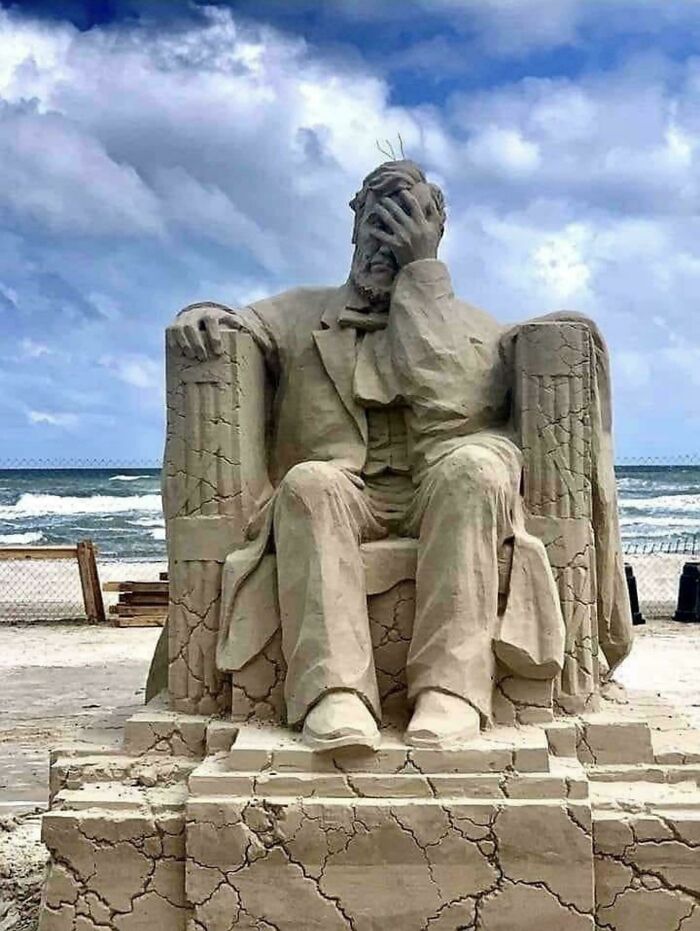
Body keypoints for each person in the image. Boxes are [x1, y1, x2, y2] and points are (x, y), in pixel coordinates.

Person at [167, 161, 627, 751]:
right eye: (376, 226)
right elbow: (237, 321)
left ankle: (452, 692)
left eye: (406, 227)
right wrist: (200, 312)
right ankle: (333, 695)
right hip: (349, 492)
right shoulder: (301, 312)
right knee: (308, 483)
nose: (385, 244)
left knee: (474, 468)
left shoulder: (472, 327)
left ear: (435, 229)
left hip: (440, 487)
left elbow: (449, 407)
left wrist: (422, 275)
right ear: (353, 226)